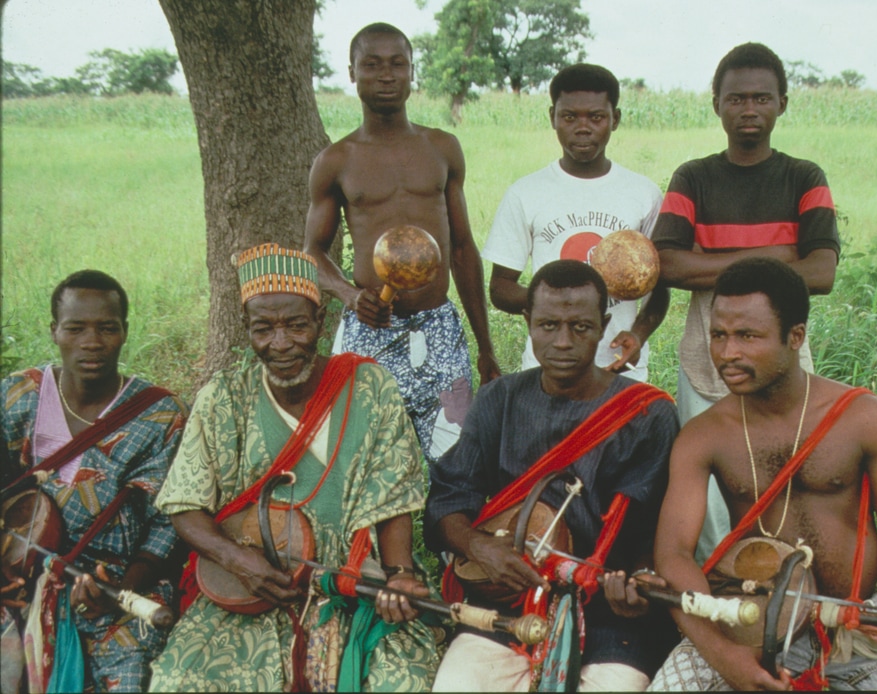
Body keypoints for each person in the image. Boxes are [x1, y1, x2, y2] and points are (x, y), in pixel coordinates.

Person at [649, 257, 877, 691]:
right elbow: (674, 554)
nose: (727, 353)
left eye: (748, 336)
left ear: (796, 337)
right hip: (750, 620)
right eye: (719, 335)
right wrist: (722, 652)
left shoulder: (865, 420)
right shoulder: (704, 436)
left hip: (859, 621)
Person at [148, 244, 442, 692]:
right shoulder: (225, 397)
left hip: (354, 582)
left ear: (320, 323)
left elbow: (394, 496)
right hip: (257, 585)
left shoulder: (370, 386)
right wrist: (238, 561)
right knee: (179, 679)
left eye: (296, 325)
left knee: (403, 679)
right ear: (247, 329)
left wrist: (399, 575)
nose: (281, 344)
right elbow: (185, 503)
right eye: (263, 328)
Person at [425, 260, 680, 691]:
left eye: (580, 327)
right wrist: (478, 546)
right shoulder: (498, 400)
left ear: (603, 326)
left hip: (607, 613)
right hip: (507, 601)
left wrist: (637, 580)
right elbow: (449, 499)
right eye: (547, 325)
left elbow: (657, 527)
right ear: (527, 323)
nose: (563, 342)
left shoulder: (647, 414)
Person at [651, 42, 841, 562]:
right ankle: (718, 586)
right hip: (703, 355)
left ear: (783, 102)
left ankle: (787, 581)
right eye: (736, 99)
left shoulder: (804, 177)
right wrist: (776, 256)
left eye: (762, 97)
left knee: (788, 471)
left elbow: (821, 272)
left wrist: (710, 261)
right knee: (708, 485)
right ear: (716, 104)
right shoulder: (693, 177)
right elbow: (666, 265)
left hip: (782, 353)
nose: (749, 110)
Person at [304, 22, 499, 467]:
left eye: (398, 64)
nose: (386, 76)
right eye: (371, 65)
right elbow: (312, 252)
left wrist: (485, 346)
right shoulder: (336, 160)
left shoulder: (442, 148)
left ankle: (448, 538)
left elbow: (464, 248)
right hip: (369, 329)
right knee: (361, 456)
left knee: (453, 458)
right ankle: (366, 539)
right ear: (351, 73)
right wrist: (351, 296)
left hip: (439, 328)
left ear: (413, 72)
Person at [0, 270, 187, 693]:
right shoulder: (16, 398)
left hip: (117, 583)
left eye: (107, 328)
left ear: (124, 332)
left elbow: (167, 524)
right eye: (75, 328)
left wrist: (125, 586)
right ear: (54, 331)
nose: (92, 342)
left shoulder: (160, 416)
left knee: (132, 675)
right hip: (18, 578)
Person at [482, 63, 668, 382]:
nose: (583, 128)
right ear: (552, 116)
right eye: (569, 117)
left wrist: (638, 335)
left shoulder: (643, 193)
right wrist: (557, 304)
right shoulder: (526, 192)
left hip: (618, 367)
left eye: (596, 117)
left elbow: (659, 285)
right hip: (547, 371)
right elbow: (500, 288)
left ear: (615, 119)